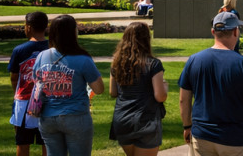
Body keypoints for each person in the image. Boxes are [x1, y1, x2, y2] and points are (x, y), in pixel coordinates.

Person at [179, 11, 243, 155]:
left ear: (213, 32)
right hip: (235, 140)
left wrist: (187, 126)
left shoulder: (194, 60)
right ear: (235, 32)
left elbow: (184, 99)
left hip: (202, 138)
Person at [31, 14, 105, 155]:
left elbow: (36, 81)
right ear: (73, 33)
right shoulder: (83, 59)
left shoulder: (42, 56)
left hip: (48, 117)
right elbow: (99, 89)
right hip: (76, 117)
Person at [109, 21, 167, 155]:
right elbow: (160, 96)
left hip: (122, 119)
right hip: (146, 120)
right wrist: (164, 87)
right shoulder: (153, 64)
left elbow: (113, 92)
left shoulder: (117, 63)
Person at [9, 10, 50, 156]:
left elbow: (14, 77)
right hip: (48, 101)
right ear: (46, 26)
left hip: (23, 103)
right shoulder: (52, 48)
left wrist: (17, 93)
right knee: (47, 142)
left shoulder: (19, 50)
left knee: (22, 142)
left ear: (28, 27)